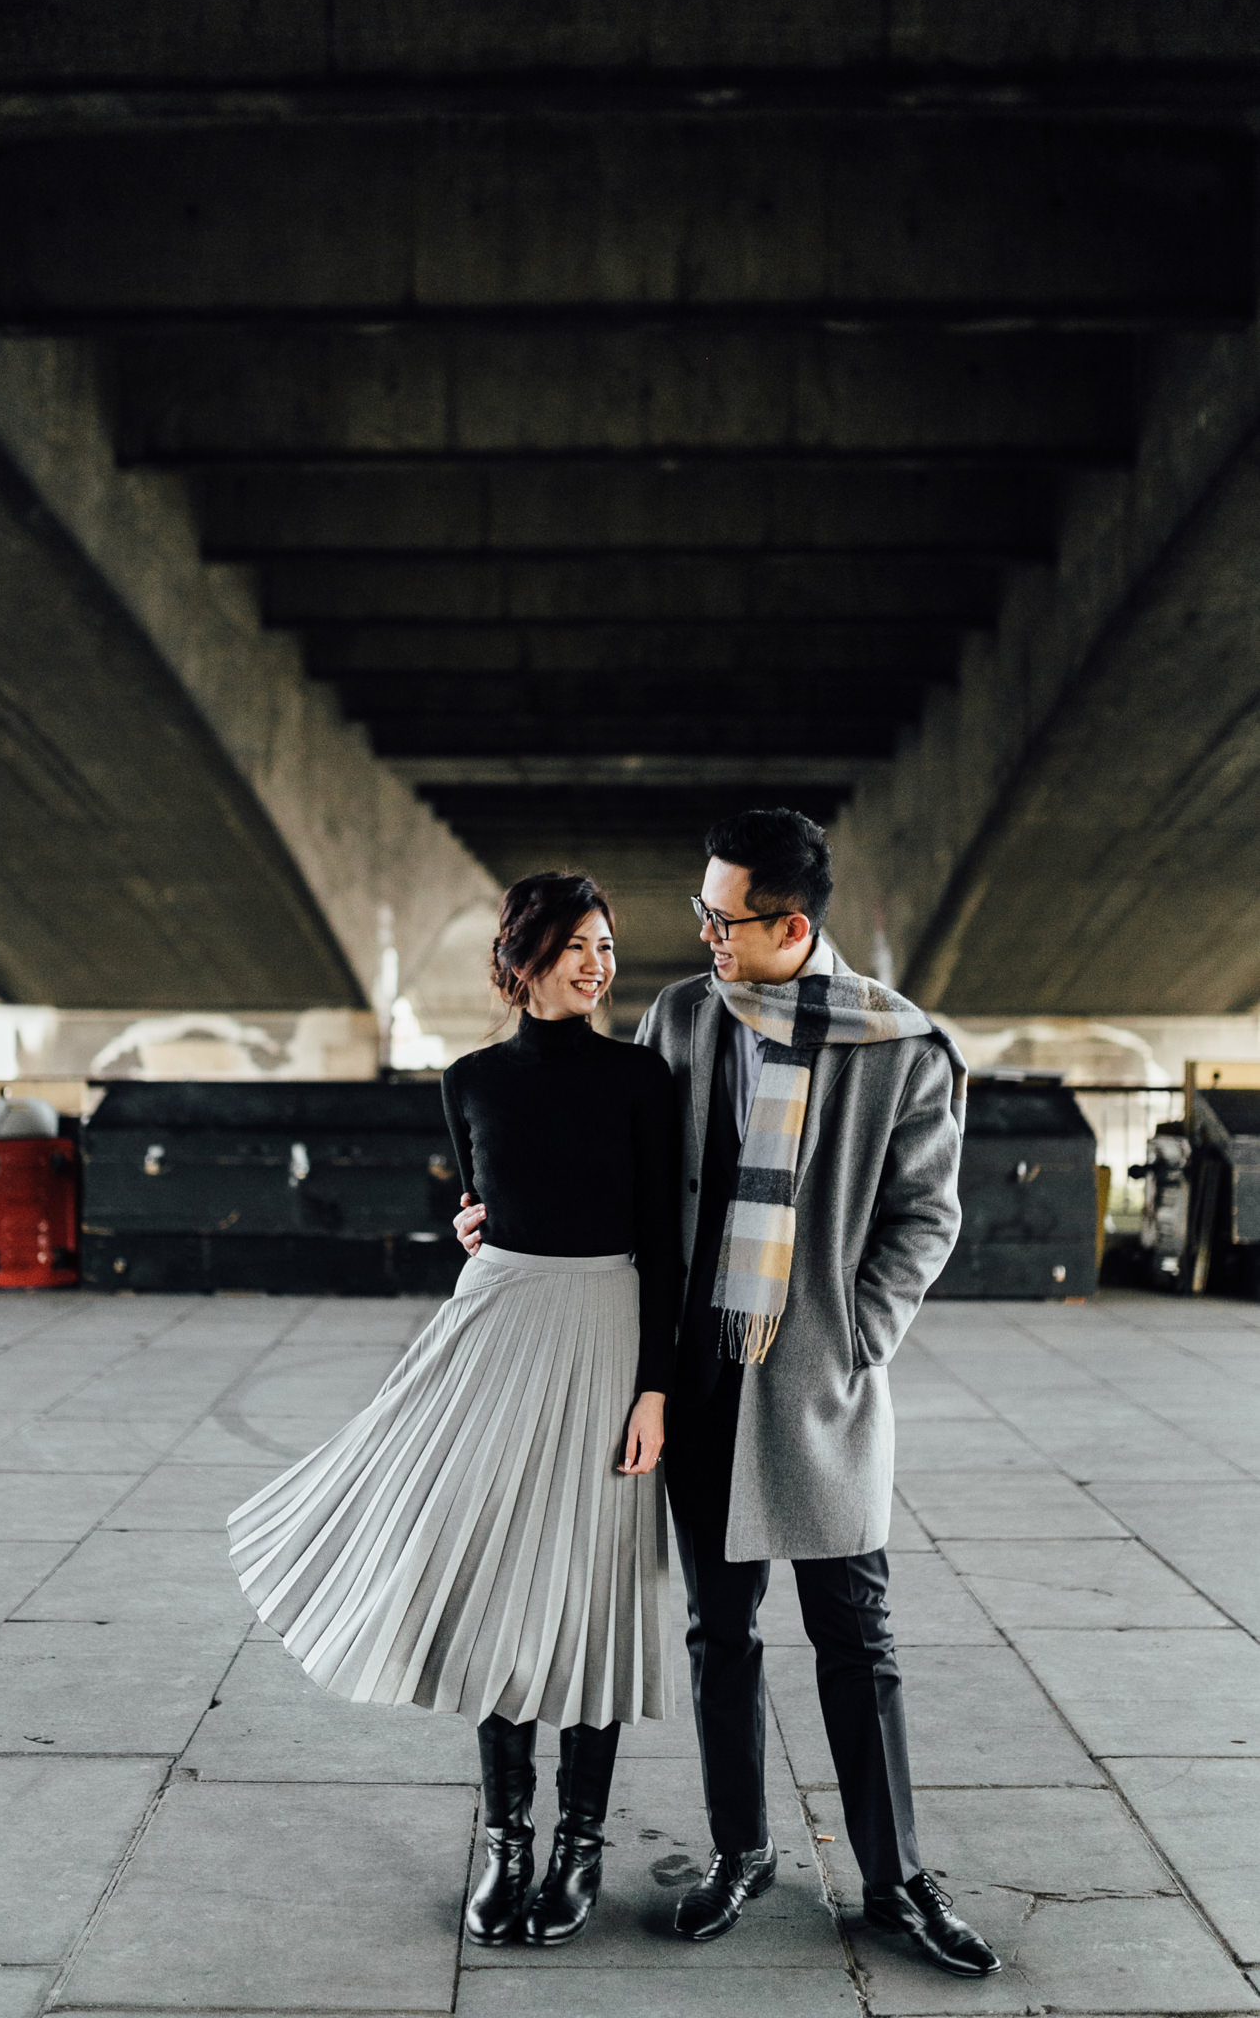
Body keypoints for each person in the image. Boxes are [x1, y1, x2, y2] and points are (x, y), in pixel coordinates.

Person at [456, 810, 1000, 1981]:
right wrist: (507, 1219)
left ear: (792, 924)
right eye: (703, 911)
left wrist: (858, 1338)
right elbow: (630, 1180)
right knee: (720, 1633)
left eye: (724, 917)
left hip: (819, 1384)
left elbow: (926, 1214)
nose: (702, 932)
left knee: (857, 1630)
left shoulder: (902, 1045)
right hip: (700, 1382)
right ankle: (740, 1849)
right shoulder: (684, 1017)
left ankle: (896, 1876)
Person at [229, 871, 677, 1951]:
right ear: (520, 957)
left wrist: (656, 1384)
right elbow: (483, 1199)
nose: (595, 961)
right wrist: (472, 1225)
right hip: (493, 1330)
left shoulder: (643, 1079)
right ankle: (506, 1843)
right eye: (574, 943)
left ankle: (579, 1847)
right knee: (495, 1589)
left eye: (605, 944)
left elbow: (668, 1238)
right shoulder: (466, 1077)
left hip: (609, 1329)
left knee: (595, 1591)